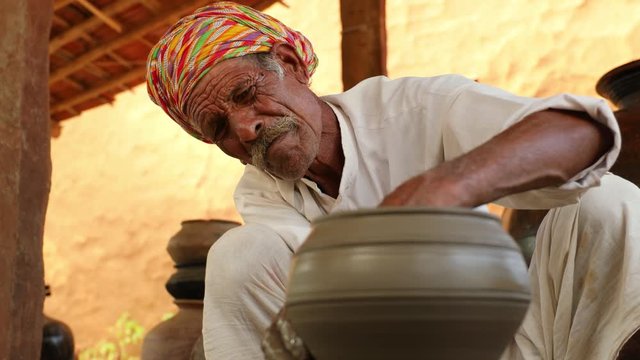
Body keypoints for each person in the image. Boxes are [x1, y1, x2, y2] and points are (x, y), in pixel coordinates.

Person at [146, 2, 640, 359]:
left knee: (603, 201)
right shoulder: (262, 196)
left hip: (511, 343)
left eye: (247, 93)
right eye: (217, 129)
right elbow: (329, 310)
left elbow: (584, 132)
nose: (244, 127)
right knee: (238, 253)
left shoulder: (415, 108)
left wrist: (442, 190)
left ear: (291, 65)